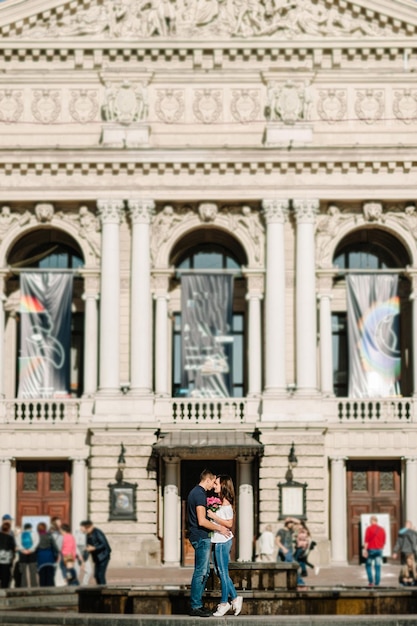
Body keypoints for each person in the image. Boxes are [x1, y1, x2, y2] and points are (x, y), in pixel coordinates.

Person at [186, 468, 231, 618]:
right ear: (207, 480)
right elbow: (202, 520)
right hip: (201, 537)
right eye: (213, 482)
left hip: (199, 536)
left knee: (204, 572)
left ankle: (197, 604)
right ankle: (195, 606)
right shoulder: (199, 494)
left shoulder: (195, 493)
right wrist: (220, 528)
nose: (213, 486)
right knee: (201, 572)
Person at [207, 474, 243, 617]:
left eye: (216, 483)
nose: (214, 485)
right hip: (217, 540)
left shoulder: (226, 503)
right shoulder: (219, 502)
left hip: (223, 540)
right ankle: (234, 597)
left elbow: (229, 523)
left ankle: (224, 603)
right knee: (218, 571)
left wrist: (214, 516)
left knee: (222, 572)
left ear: (223, 486)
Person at [80, 520, 111, 585]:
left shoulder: (97, 532)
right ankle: (99, 590)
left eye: (85, 529)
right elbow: (88, 548)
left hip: (103, 556)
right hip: (97, 557)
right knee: (96, 576)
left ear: (89, 527)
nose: (85, 531)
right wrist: (83, 561)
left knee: (100, 575)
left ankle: (103, 591)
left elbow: (104, 544)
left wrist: (94, 548)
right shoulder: (87, 535)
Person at [362, 515, 386, 587]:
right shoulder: (382, 529)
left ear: (371, 521)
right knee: (377, 566)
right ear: (376, 521)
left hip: (371, 550)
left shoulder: (368, 529)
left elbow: (366, 541)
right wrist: (380, 547)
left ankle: (371, 582)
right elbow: (384, 541)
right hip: (379, 550)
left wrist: (365, 550)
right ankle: (377, 583)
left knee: (368, 565)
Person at [36, 522, 59, 587]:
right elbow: (54, 546)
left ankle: (42, 588)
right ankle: (51, 588)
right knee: (50, 574)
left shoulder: (37, 536)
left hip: (40, 556)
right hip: (49, 556)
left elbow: (35, 547)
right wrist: (56, 555)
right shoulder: (49, 535)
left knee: (42, 574)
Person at [16, 522, 39, 588]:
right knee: (33, 570)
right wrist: (30, 550)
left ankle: (24, 585)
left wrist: (23, 550)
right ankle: (34, 585)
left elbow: (18, 543)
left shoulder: (20, 534)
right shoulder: (34, 533)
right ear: (30, 528)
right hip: (32, 553)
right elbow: (36, 542)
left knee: (23, 571)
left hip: (22, 554)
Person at [0, 521, 16, 588]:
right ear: (9, 529)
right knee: (5, 578)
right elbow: (13, 548)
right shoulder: (10, 538)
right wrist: (13, 558)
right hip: (6, 560)